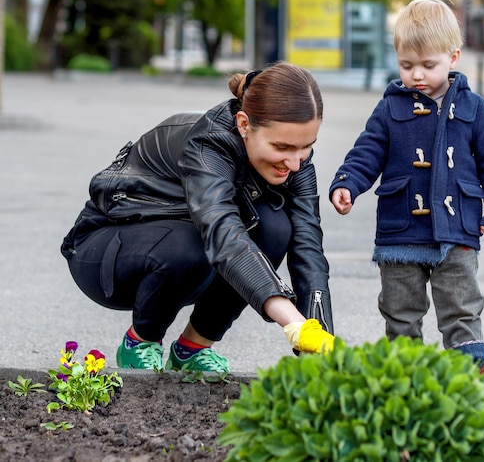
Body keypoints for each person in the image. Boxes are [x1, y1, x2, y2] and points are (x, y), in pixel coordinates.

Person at [61, 62, 335, 373]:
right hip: (106, 250)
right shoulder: (206, 145)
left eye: (306, 147)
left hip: (185, 241)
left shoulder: (296, 158)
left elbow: (308, 247)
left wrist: (319, 338)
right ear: (244, 124)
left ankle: (191, 350)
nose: (295, 163)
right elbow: (222, 233)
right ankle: (141, 342)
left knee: (275, 228)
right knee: (192, 245)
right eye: (282, 147)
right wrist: (293, 323)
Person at [329, 0, 484, 380]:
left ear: (453, 58)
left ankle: (471, 362)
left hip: (457, 225)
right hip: (400, 230)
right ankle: (404, 364)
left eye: (429, 66)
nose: (416, 75)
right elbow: (367, 151)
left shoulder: (473, 107)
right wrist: (348, 182)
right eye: (406, 65)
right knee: (400, 304)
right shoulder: (390, 107)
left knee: (460, 300)